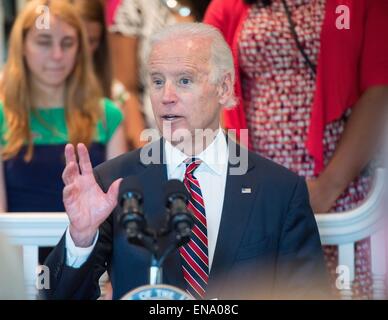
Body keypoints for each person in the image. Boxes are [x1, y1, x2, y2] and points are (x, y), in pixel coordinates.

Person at [41, 23, 328, 300]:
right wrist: (80, 239)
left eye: (184, 80)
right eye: (157, 81)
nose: (166, 96)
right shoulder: (114, 183)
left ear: (224, 87)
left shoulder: (279, 190)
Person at [204, 0, 388, 298]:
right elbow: (208, 92)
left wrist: (327, 188)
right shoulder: (230, 6)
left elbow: (380, 87)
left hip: (339, 182)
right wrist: (242, 185)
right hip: (257, 188)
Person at [0, 0, 126, 259]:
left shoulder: (107, 116)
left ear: (80, 48)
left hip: (92, 267)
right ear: (21, 46)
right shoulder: (3, 116)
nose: (57, 55)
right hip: (19, 265)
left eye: (67, 43)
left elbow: (118, 212)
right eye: (44, 42)